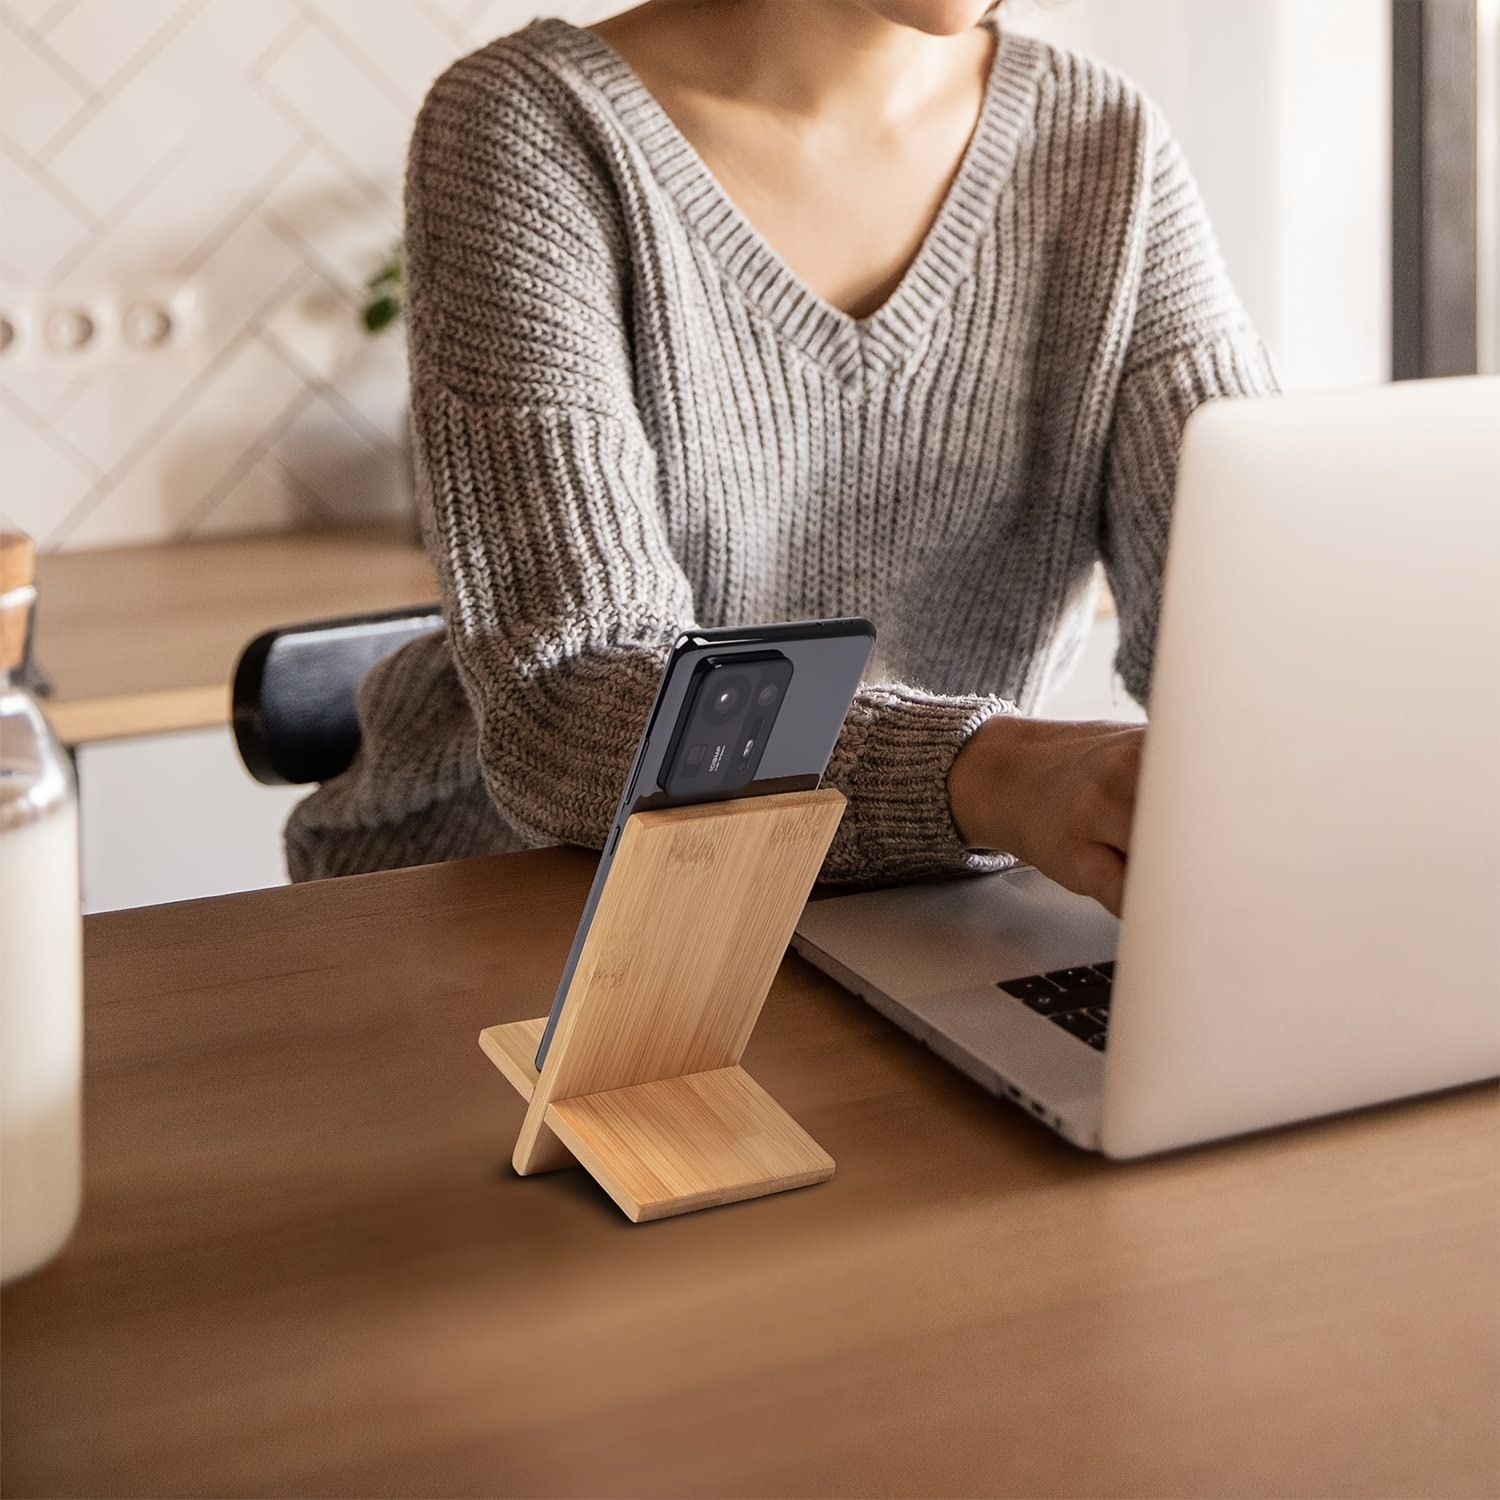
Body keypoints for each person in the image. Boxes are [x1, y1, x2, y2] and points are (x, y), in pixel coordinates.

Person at [284, 0, 1277, 915]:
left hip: (907, 903)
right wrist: (988, 771)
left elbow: (1261, 612)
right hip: (521, 901)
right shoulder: (529, 122)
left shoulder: (1107, 144)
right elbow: (570, 695)